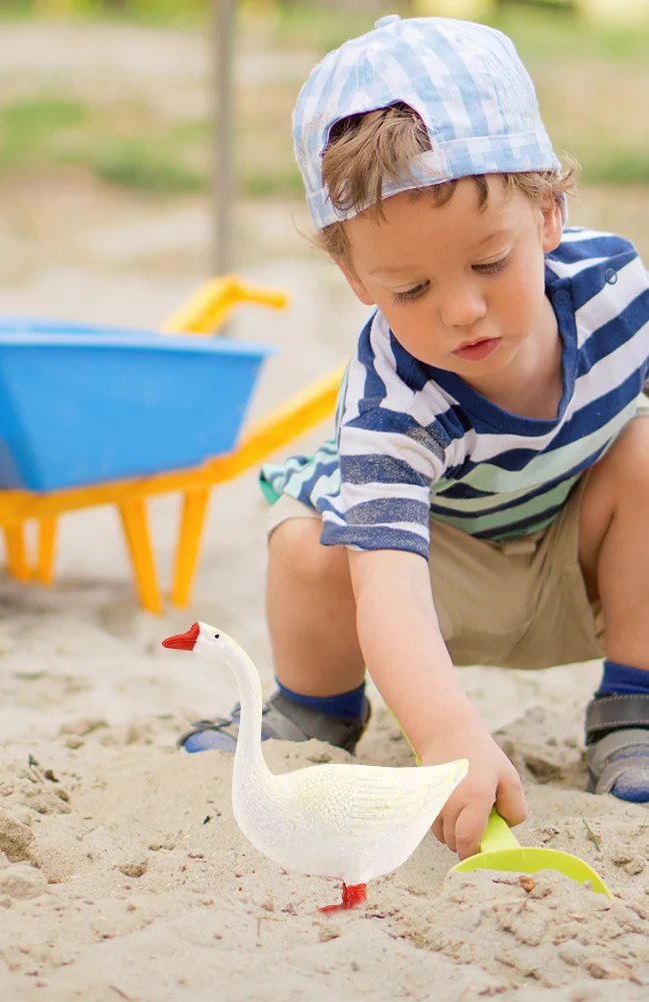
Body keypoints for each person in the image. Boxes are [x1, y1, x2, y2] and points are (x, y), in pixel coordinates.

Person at [178, 14, 649, 861]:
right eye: (410, 287)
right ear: (357, 278)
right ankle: (318, 706)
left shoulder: (619, 295)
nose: (459, 311)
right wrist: (445, 737)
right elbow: (388, 590)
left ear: (548, 213)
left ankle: (634, 706)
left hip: (580, 566)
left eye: (489, 264)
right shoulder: (394, 396)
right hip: (434, 585)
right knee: (311, 537)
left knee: (647, 454)